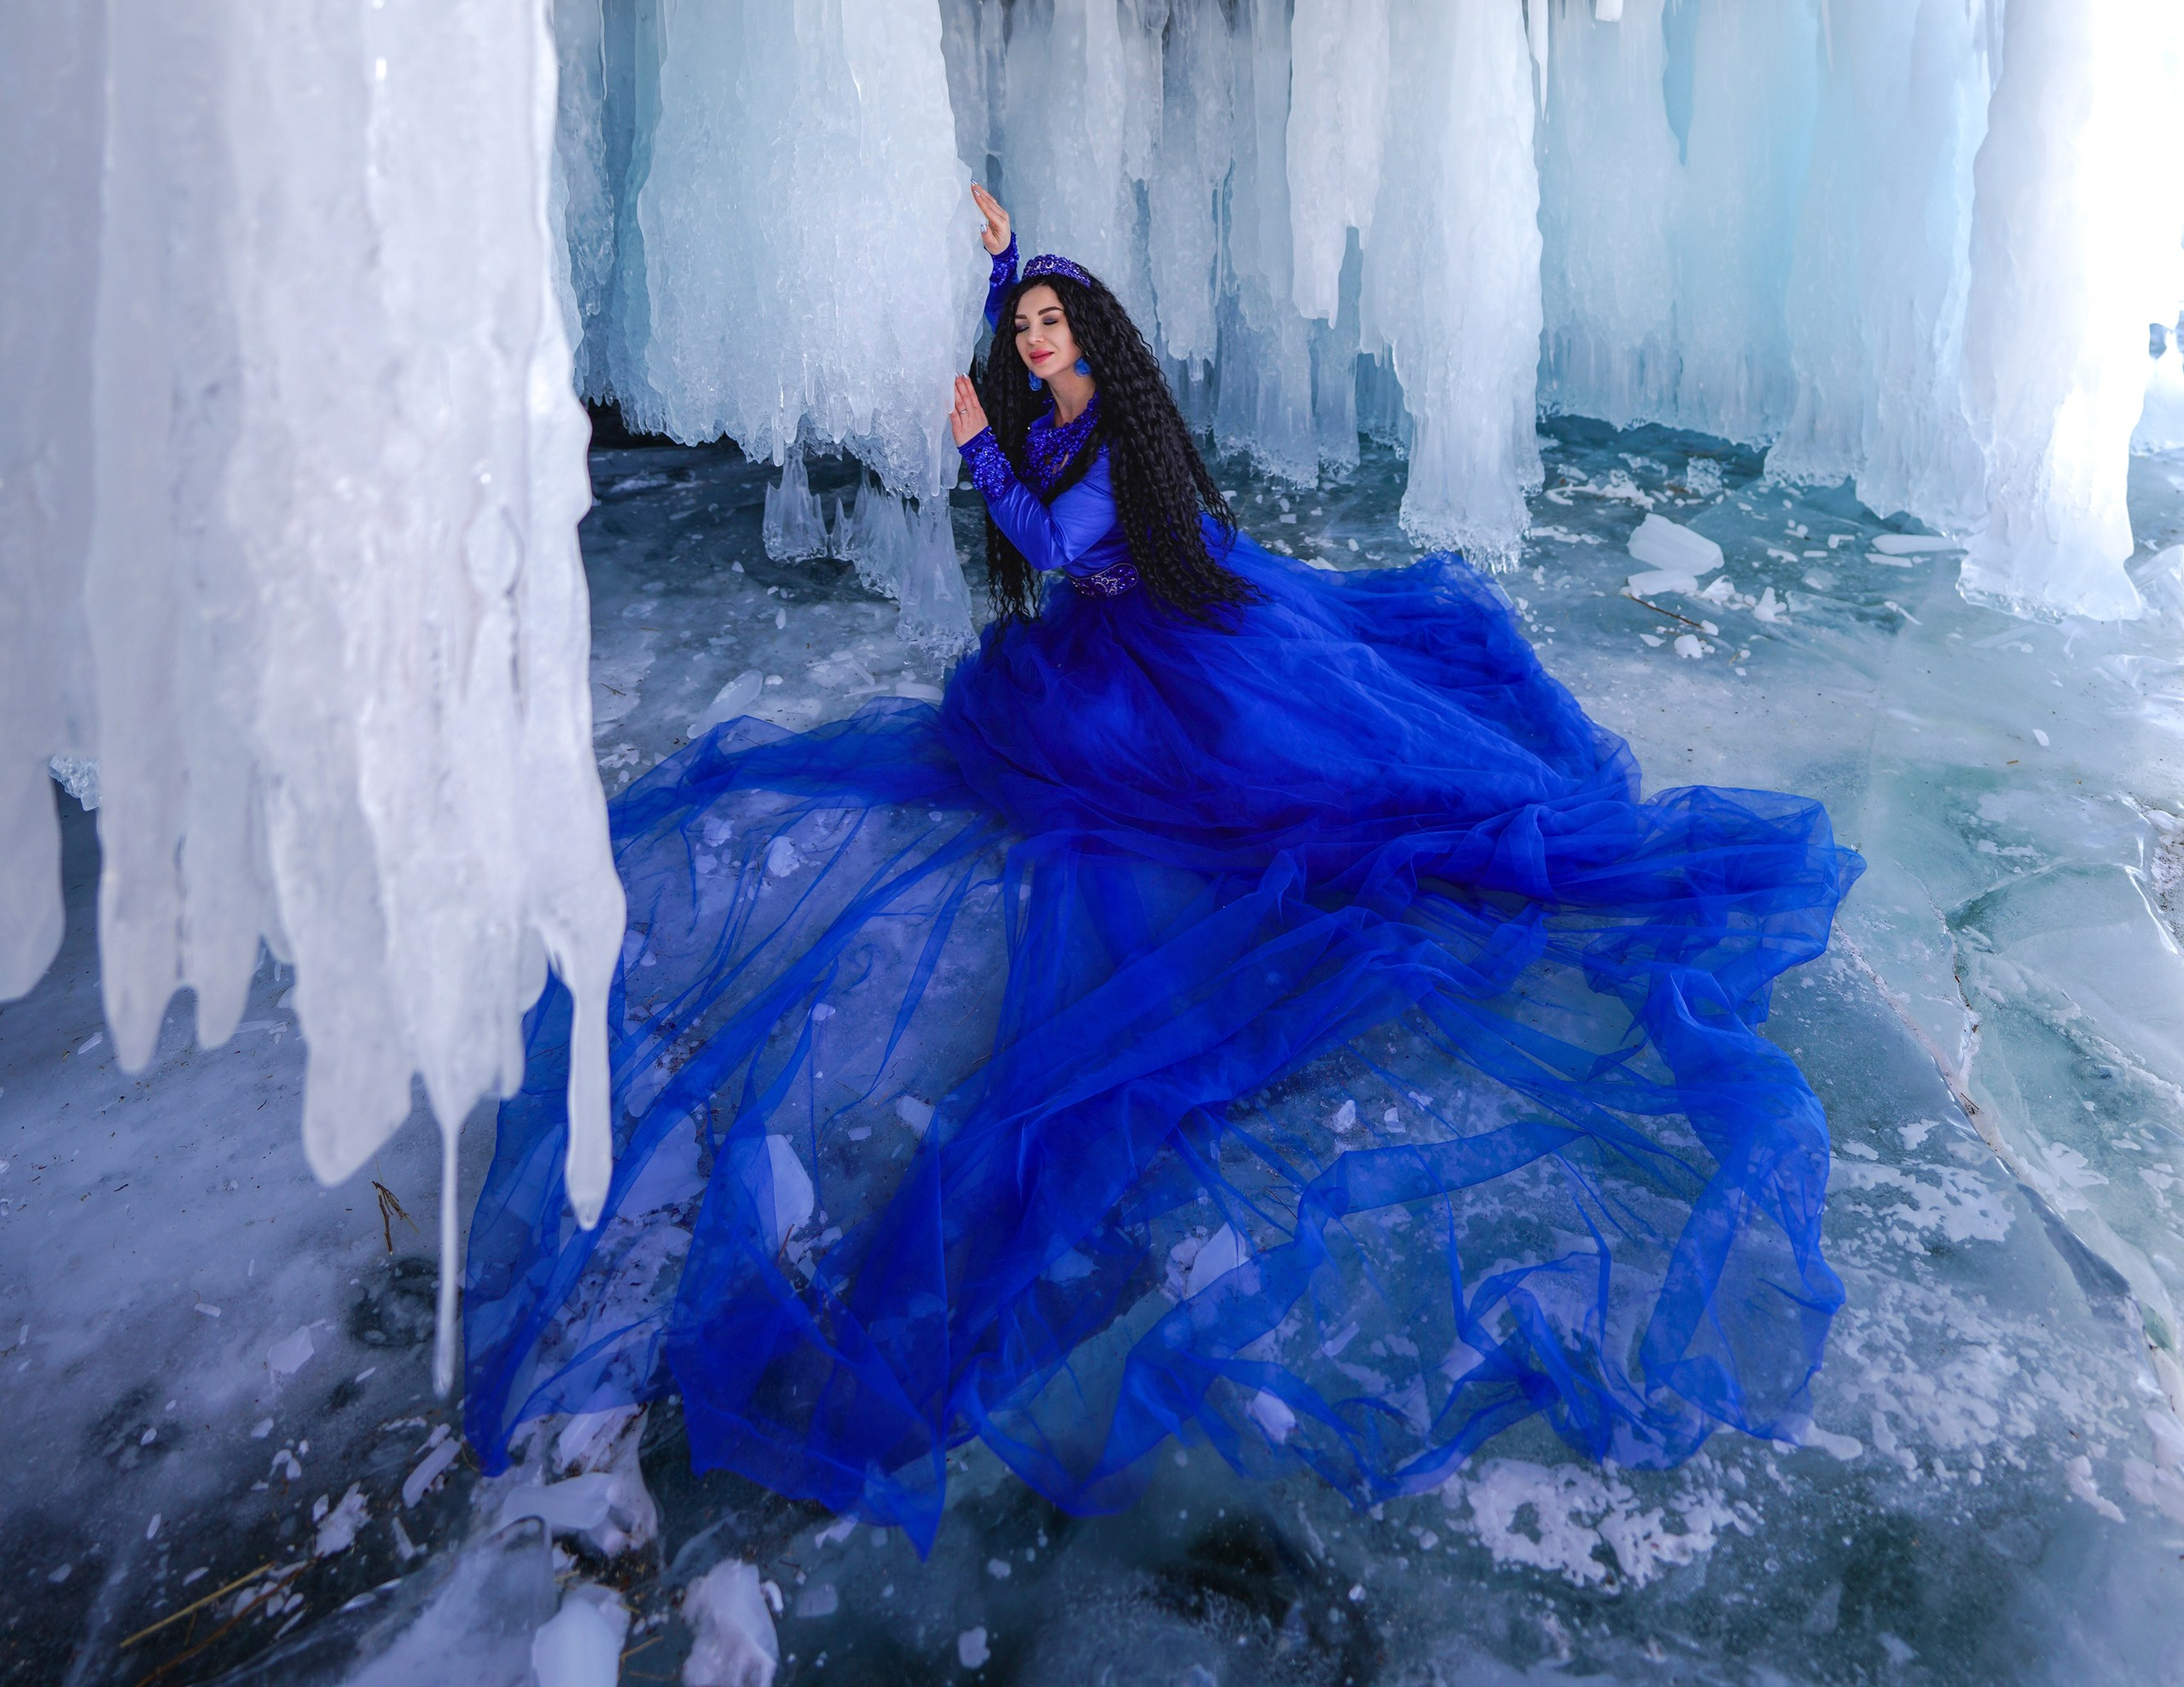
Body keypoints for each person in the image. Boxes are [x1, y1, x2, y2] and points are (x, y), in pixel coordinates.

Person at [464, 184, 1861, 1552]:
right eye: (1030, 333)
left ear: (1099, 343)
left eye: (1056, 326)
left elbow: (1057, 540)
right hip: (1119, 635)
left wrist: (976, 450)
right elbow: (1039, 411)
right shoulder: (1061, 389)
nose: (1035, 344)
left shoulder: (1102, 441)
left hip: (1156, 649)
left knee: (1285, 783)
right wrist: (1006, 267)